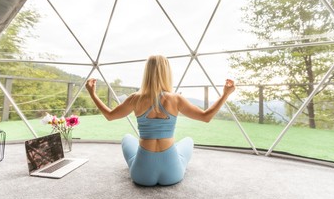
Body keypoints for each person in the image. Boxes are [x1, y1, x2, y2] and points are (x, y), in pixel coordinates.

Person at [85, 55, 235, 186]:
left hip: (141, 176)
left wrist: (92, 94)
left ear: (147, 73)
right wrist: (225, 94)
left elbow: (110, 115)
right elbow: (206, 116)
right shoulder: (176, 98)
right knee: (188, 140)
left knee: (127, 139)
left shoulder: (135, 98)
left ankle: (139, 163)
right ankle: (171, 156)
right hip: (173, 174)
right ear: (167, 73)